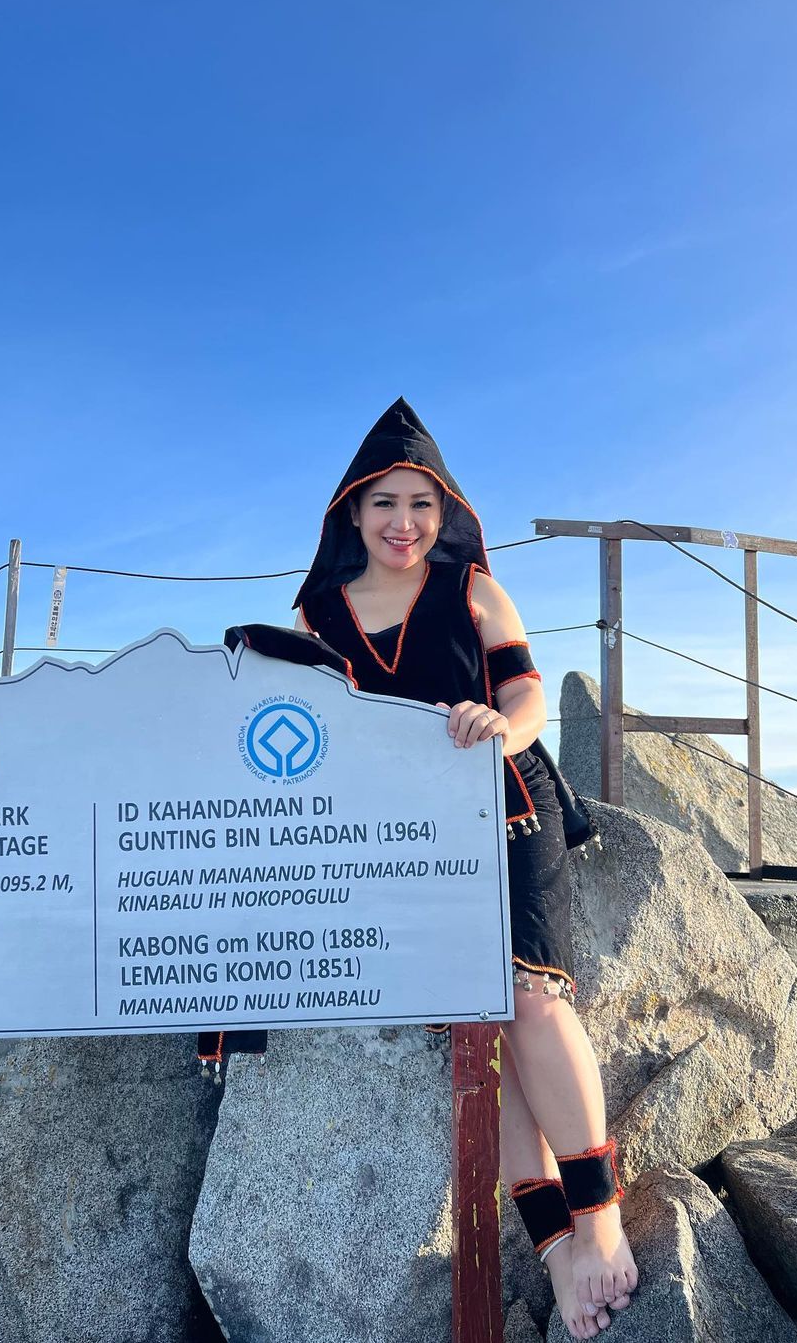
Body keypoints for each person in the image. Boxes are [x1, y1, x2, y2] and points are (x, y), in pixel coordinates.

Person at [291, 398, 638, 1340]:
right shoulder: (315, 613)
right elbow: (304, 731)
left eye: (422, 505)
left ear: (445, 516)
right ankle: (555, 1249)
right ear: (353, 514)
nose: (404, 522)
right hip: (403, 832)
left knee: (529, 999)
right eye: (386, 504)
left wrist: (497, 726)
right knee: (476, 1033)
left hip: (508, 802)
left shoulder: (476, 590)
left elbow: (525, 695)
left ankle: (599, 1216)